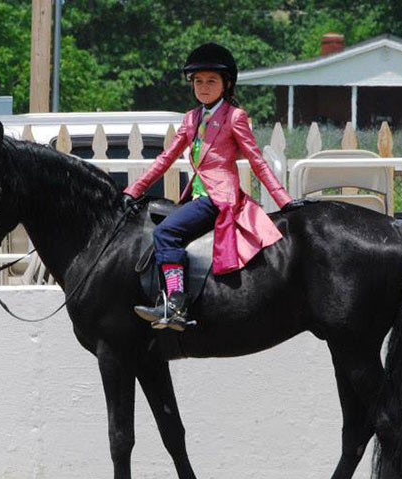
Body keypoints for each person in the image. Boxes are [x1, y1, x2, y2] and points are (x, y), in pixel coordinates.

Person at [123, 42, 293, 332]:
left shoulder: (234, 117)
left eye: (211, 81)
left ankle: (176, 303)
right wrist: (133, 190)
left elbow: (257, 161)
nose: (203, 87)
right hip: (195, 195)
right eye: (198, 81)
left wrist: (285, 201)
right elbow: (166, 158)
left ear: (226, 84)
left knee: (166, 232)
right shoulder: (191, 118)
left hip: (219, 197)